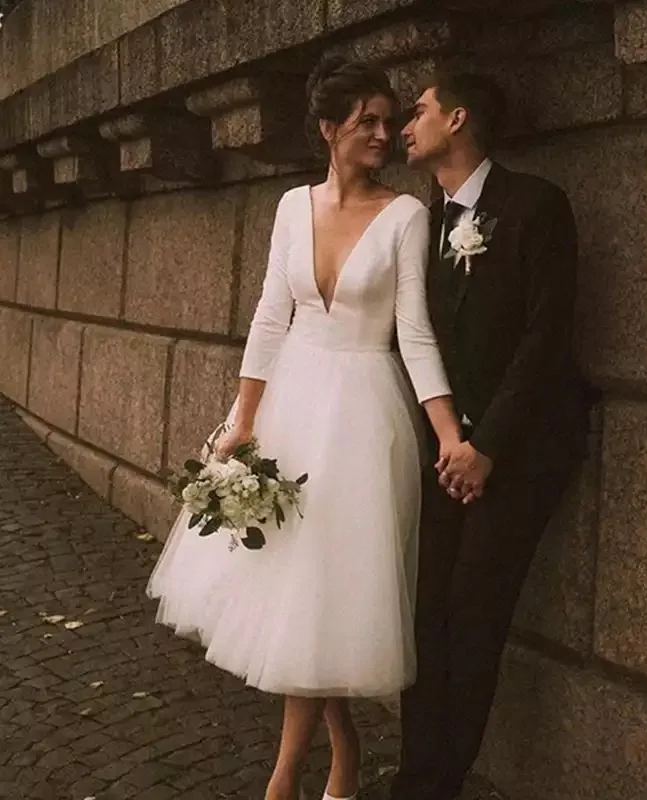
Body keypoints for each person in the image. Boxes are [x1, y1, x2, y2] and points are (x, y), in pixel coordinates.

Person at [147, 57, 462, 800]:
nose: (385, 134)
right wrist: (241, 425)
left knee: (332, 588)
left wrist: (446, 431)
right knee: (300, 592)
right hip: (292, 402)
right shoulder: (293, 207)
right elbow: (268, 316)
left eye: (391, 121)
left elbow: (414, 334)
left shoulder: (406, 215)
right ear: (329, 130)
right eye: (368, 123)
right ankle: (342, 745)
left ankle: (284, 778)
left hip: (362, 418)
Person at [390, 72, 590, 800]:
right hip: (446, 454)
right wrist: (447, 443)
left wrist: (489, 448)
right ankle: (416, 777)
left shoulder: (536, 206)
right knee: (425, 616)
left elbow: (545, 338)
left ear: (461, 117)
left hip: (520, 452)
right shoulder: (420, 223)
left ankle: (438, 784)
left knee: (474, 613)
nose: (404, 126)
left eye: (419, 111)